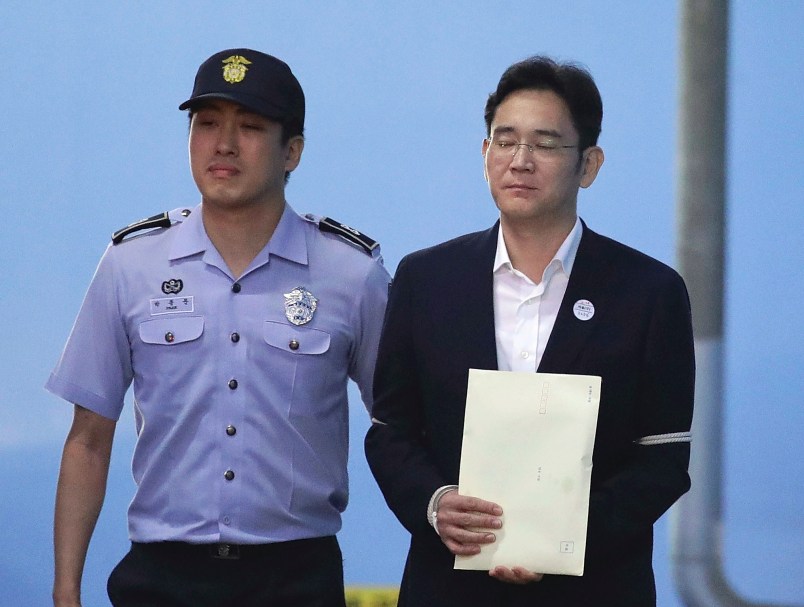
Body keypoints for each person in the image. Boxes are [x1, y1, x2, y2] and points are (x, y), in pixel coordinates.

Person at [47, 48, 390, 607]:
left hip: (295, 576)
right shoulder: (131, 264)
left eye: (250, 127)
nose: (223, 144)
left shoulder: (353, 274)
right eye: (207, 124)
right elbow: (87, 439)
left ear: (293, 152)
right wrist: (66, 589)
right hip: (162, 575)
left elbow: (398, 422)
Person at [365, 56, 694, 606]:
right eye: (504, 140)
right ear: (484, 153)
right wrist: (435, 503)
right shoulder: (426, 279)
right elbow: (391, 430)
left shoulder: (649, 292)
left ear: (588, 165)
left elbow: (661, 458)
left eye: (545, 144)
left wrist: (562, 538)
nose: (520, 161)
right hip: (447, 586)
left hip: (596, 587)